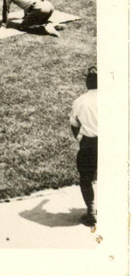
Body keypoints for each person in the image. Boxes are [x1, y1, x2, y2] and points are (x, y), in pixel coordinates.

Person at [70, 66, 98, 227]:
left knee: (86, 178)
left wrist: (79, 138)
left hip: (89, 144)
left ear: (87, 83)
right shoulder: (113, 98)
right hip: (110, 142)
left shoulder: (80, 101)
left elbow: (74, 124)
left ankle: (92, 211)